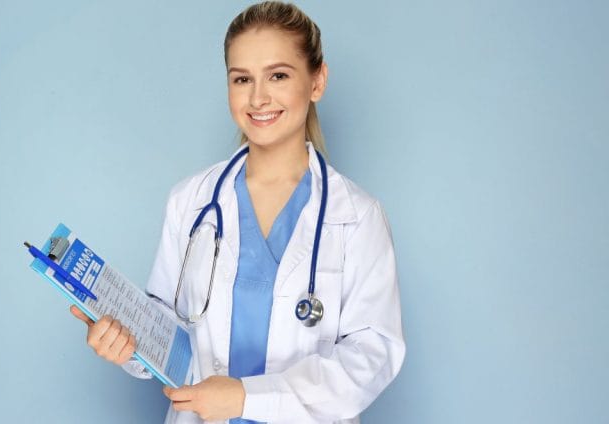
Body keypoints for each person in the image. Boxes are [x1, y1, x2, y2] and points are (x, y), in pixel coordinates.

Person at [69, 2, 405, 422]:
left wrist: (249, 398)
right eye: (242, 79)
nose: (258, 97)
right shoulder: (191, 202)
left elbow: (371, 358)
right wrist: (125, 342)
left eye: (278, 75)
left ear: (317, 81)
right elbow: (168, 335)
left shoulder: (356, 217)